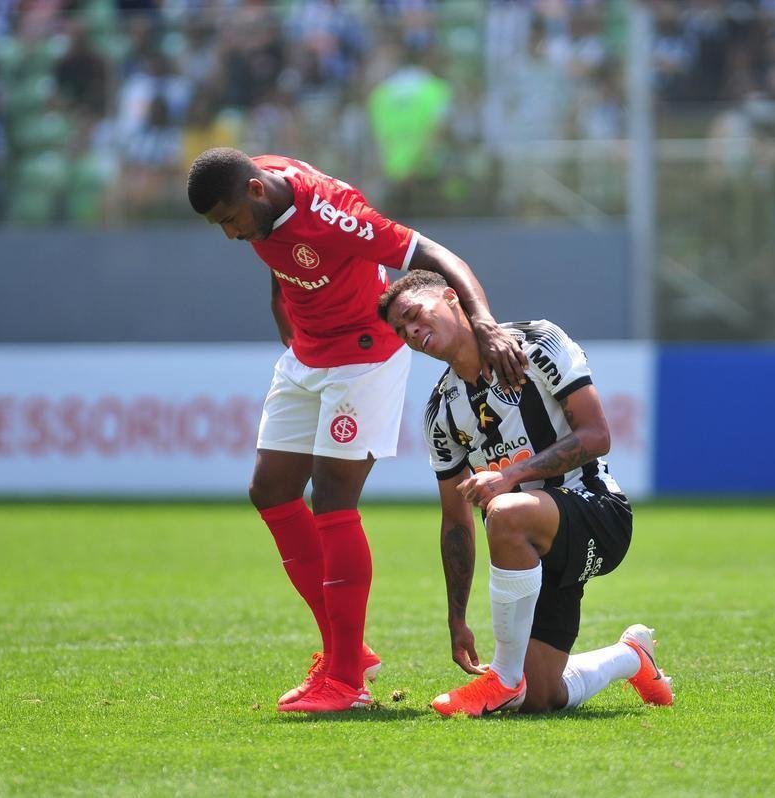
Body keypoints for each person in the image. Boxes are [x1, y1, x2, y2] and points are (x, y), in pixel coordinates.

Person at [186, 148, 525, 713]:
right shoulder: (260, 191)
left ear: (254, 192)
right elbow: (281, 268)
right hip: (307, 355)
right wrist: (289, 340)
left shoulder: (333, 214)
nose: (229, 234)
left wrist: (484, 322)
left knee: (333, 497)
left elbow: (437, 255)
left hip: (363, 357)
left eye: (229, 220)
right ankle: (347, 650)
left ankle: (345, 681)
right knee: (269, 490)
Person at [378, 270, 674, 716]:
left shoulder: (536, 343)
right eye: (402, 331)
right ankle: (632, 656)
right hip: (530, 545)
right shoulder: (441, 410)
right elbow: (456, 519)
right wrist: (456, 617)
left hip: (596, 512)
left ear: (452, 298)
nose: (413, 333)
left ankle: (502, 676)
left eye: (415, 316)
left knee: (505, 510)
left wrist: (509, 476)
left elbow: (596, 435)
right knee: (541, 698)